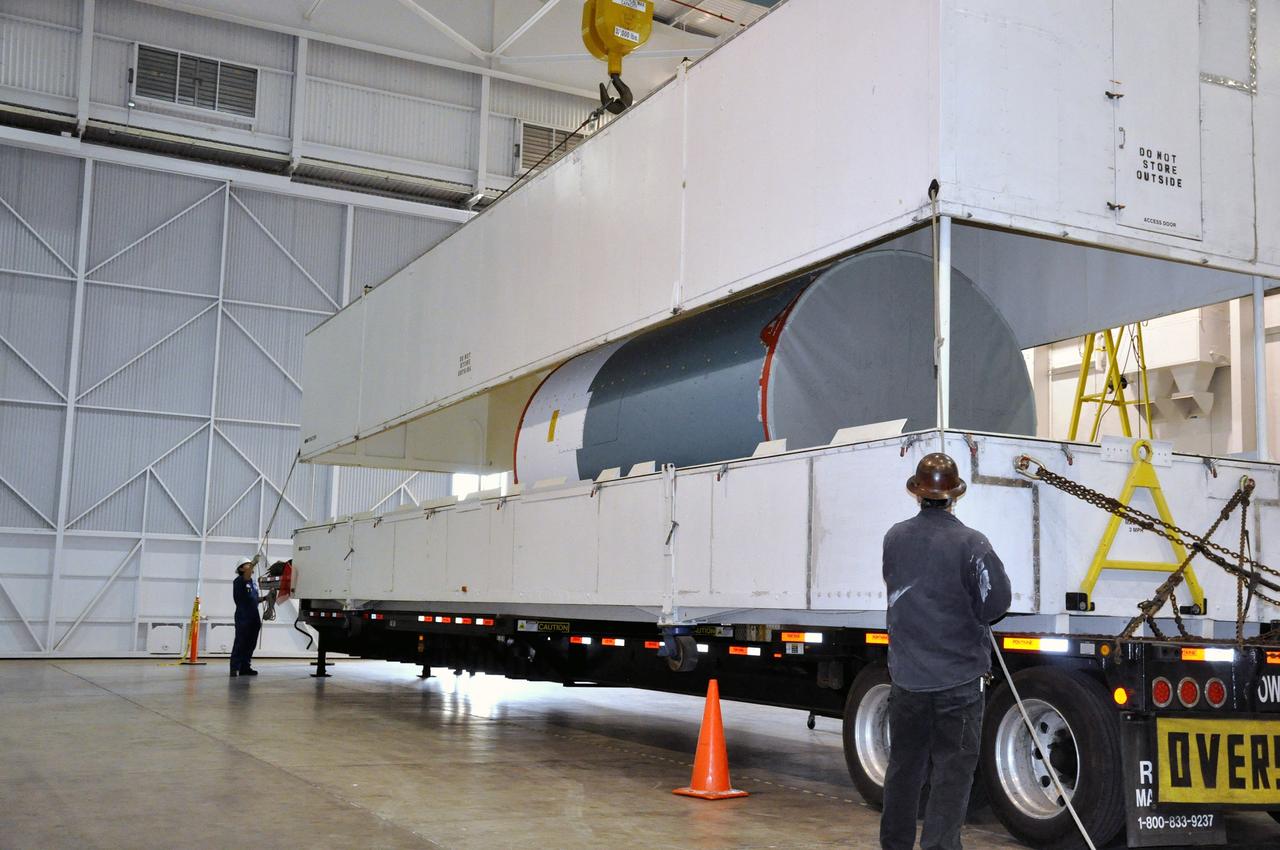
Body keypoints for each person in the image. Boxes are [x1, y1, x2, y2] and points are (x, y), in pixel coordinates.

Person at [879, 452, 1011, 850]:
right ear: (954, 496)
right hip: (959, 682)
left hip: (907, 680)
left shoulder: (894, 538)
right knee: (952, 775)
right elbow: (996, 604)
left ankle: (895, 844)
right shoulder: (972, 543)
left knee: (904, 769)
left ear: (918, 493)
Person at [230, 558, 265, 677]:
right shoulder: (239, 581)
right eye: (247, 565)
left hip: (254, 617)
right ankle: (235, 667)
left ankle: (245, 667)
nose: (250, 566)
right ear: (241, 569)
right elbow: (246, 575)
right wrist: (254, 563)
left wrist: (266, 598)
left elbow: (254, 599)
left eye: (251, 564)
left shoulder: (252, 583)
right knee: (240, 642)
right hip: (243, 616)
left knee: (251, 644)